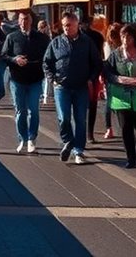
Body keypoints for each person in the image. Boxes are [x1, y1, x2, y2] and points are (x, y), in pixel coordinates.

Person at [44, 12, 103, 165]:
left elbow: (97, 63)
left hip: (81, 86)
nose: (66, 28)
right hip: (62, 86)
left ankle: (79, 151)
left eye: (69, 25)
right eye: (64, 25)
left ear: (77, 25)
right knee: (64, 118)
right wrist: (52, 80)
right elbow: (47, 62)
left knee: (80, 119)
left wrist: (91, 79)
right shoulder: (56, 42)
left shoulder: (87, 42)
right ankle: (68, 141)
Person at [104, 24, 136, 168]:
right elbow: (107, 71)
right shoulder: (116, 54)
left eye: (128, 36)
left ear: (134, 37)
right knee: (126, 127)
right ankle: (130, 158)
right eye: (122, 36)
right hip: (121, 95)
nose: (125, 39)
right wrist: (117, 79)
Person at [1, 10, 49, 154]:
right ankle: (22, 138)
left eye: (26, 19)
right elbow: (3, 55)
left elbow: (48, 56)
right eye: (21, 19)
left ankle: (32, 138)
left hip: (35, 79)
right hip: (17, 79)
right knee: (20, 111)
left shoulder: (41, 38)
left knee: (33, 111)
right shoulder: (12, 37)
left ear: (31, 21)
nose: (23, 22)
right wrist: (15, 59)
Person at [82, 20, 106, 144]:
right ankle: (89, 133)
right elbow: (100, 57)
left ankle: (82, 132)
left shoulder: (79, 36)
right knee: (92, 104)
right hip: (93, 75)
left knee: (79, 105)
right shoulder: (98, 36)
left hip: (81, 75)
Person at [101, 23, 123, 139]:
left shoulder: (106, 45)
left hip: (109, 77)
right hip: (120, 77)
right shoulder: (121, 47)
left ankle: (109, 129)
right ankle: (122, 126)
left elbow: (105, 62)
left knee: (109, 103)